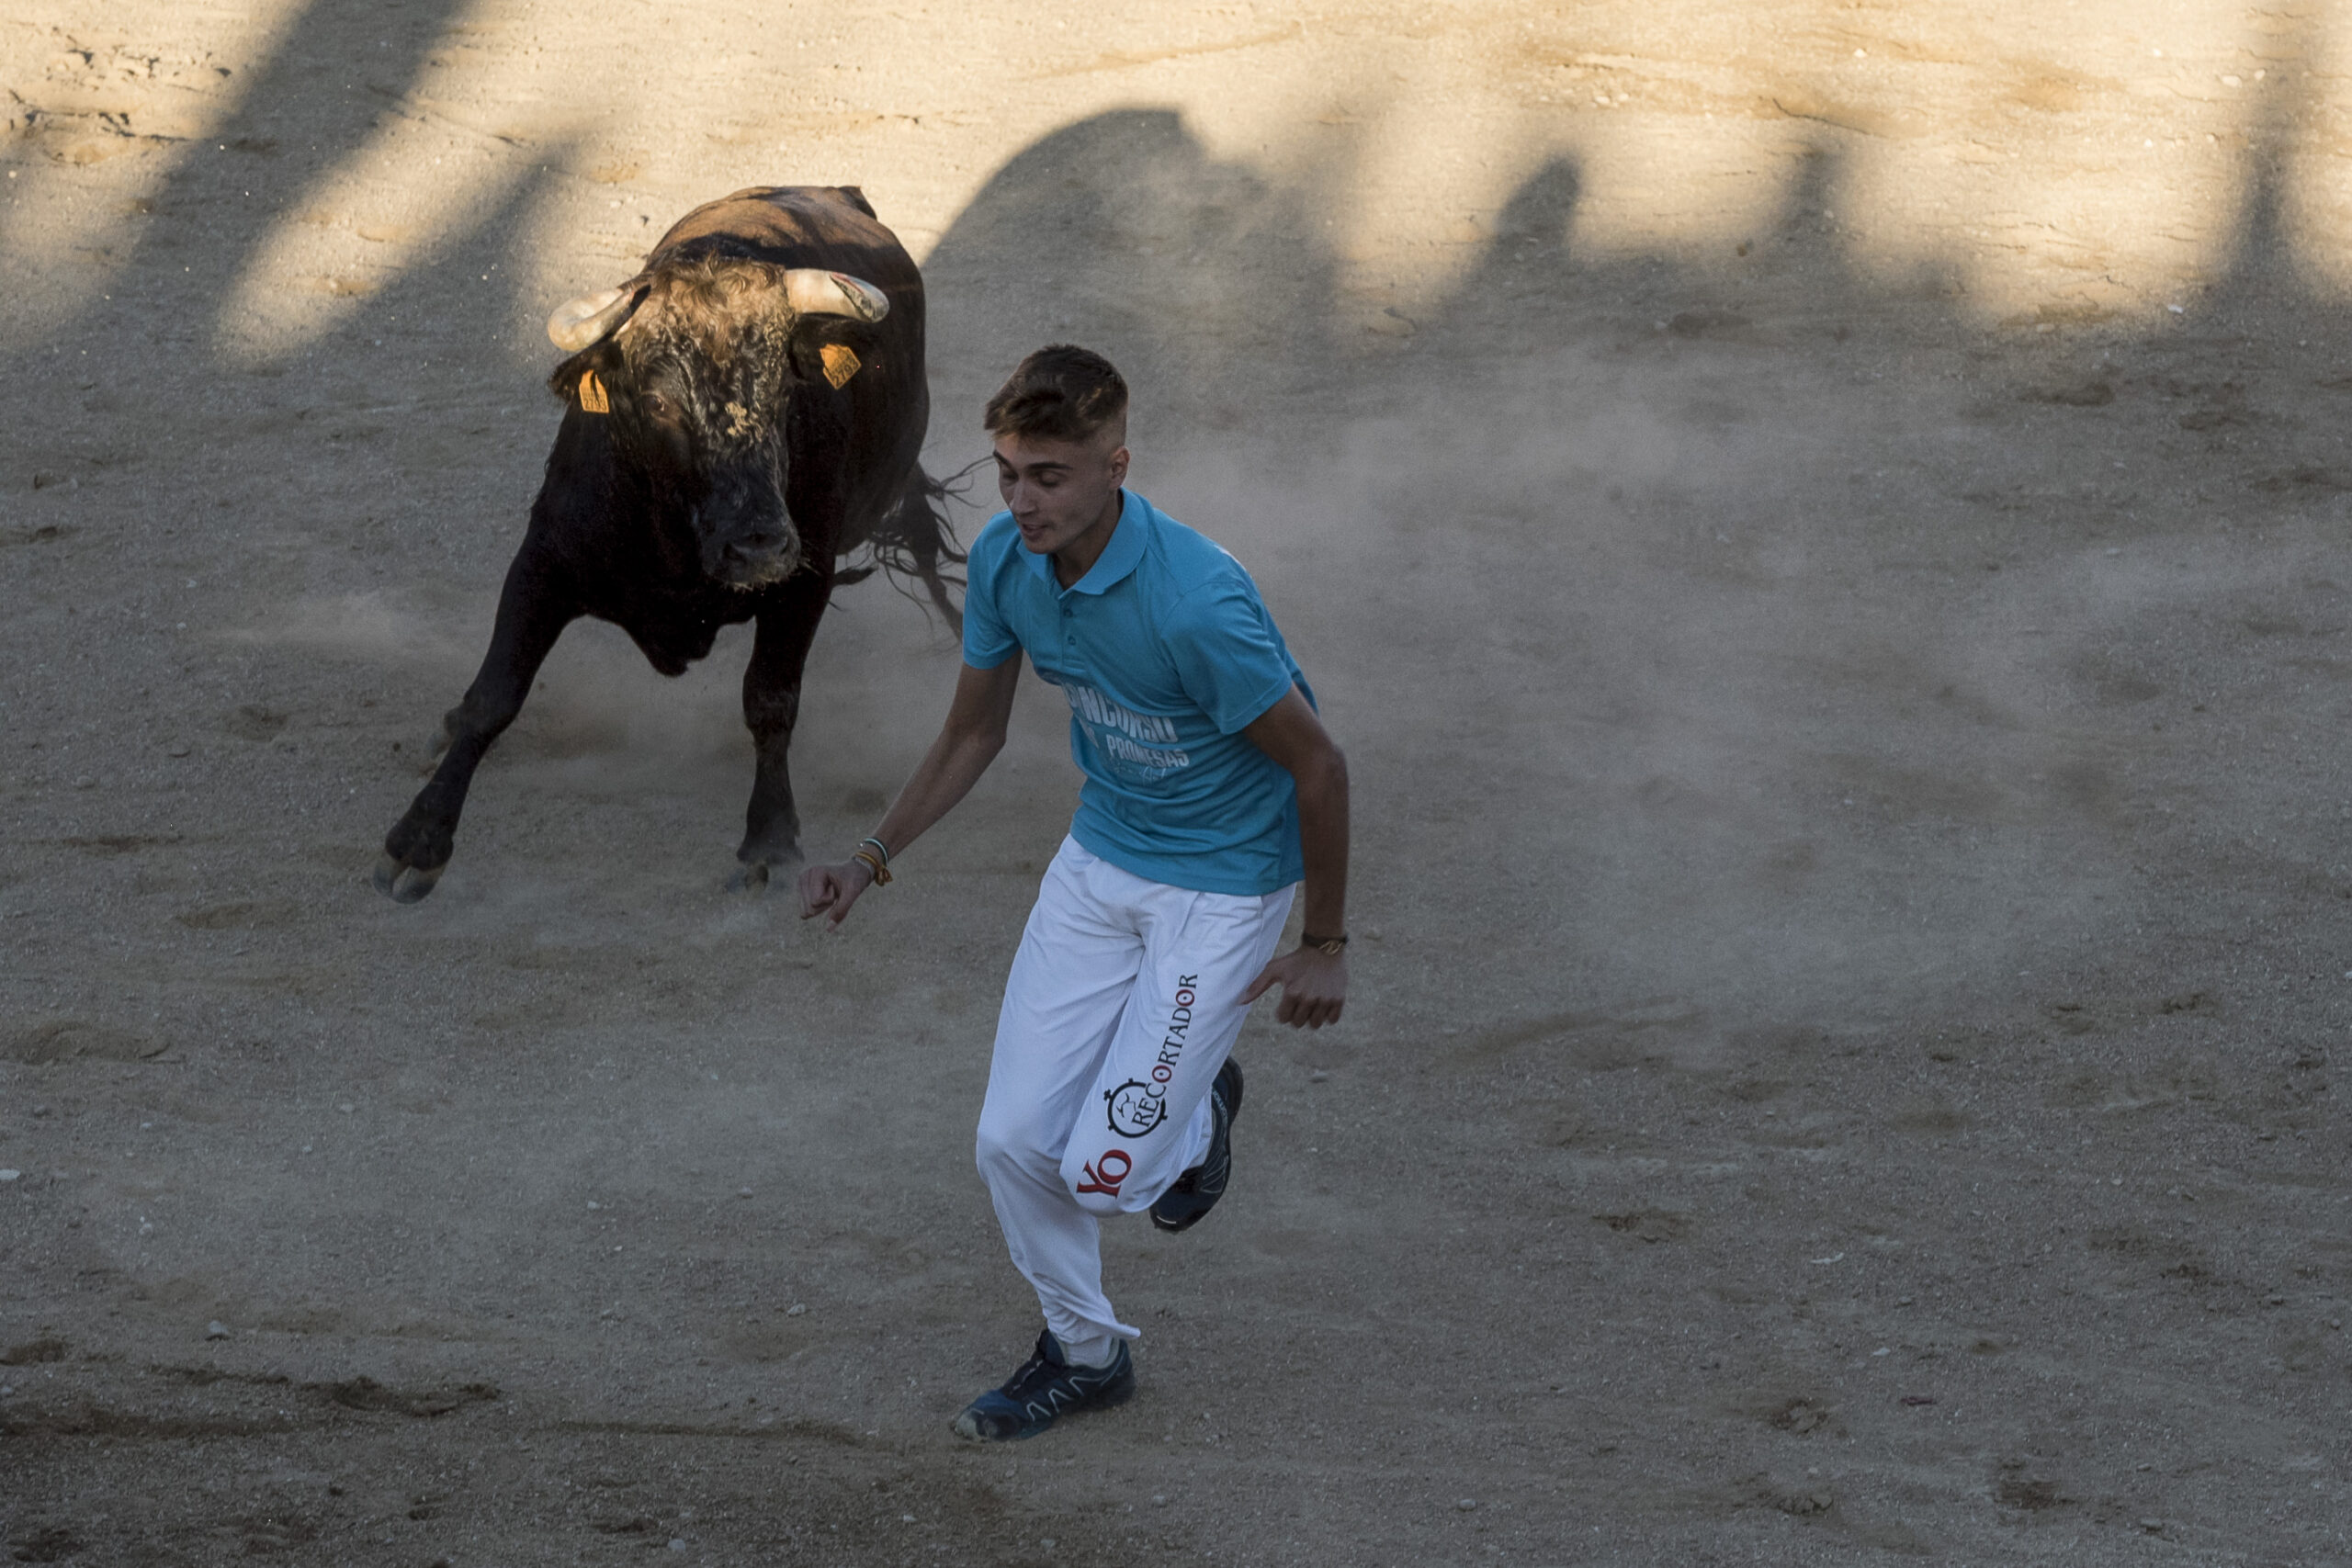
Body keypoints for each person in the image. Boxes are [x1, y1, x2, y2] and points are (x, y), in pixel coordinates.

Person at [798, 344, 1351, 1442]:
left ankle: (1194, 1123)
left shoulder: (1194, 603)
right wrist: (870, 856)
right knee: (1010, 1143)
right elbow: (974, 730)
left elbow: (1320, 768)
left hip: (1224, 885)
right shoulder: (1006, 562)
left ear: (1115, 467)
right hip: (1100, 862)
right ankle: (1085, 1354)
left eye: (1048, 475)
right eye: (1007, 471)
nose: (1020, 499)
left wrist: (1324, 941)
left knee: (1105, 1174)